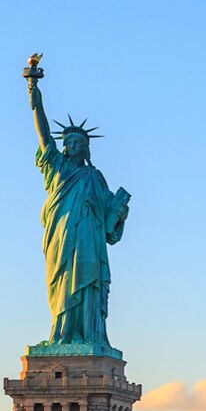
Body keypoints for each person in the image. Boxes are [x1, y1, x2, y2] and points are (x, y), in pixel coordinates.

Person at [26, 72, 130, 347]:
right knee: (62, 284)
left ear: (85, 148)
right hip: (61, 237)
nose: (73, 146)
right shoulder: (56, 168)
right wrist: (34, 92)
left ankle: (89, 334)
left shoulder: (94, 178)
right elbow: (43, 133)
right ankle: (61, 334)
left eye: (78, 144)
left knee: (88, 286)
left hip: (89, 241)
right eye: (69, 143)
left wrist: (119, 211)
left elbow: (110, 225)